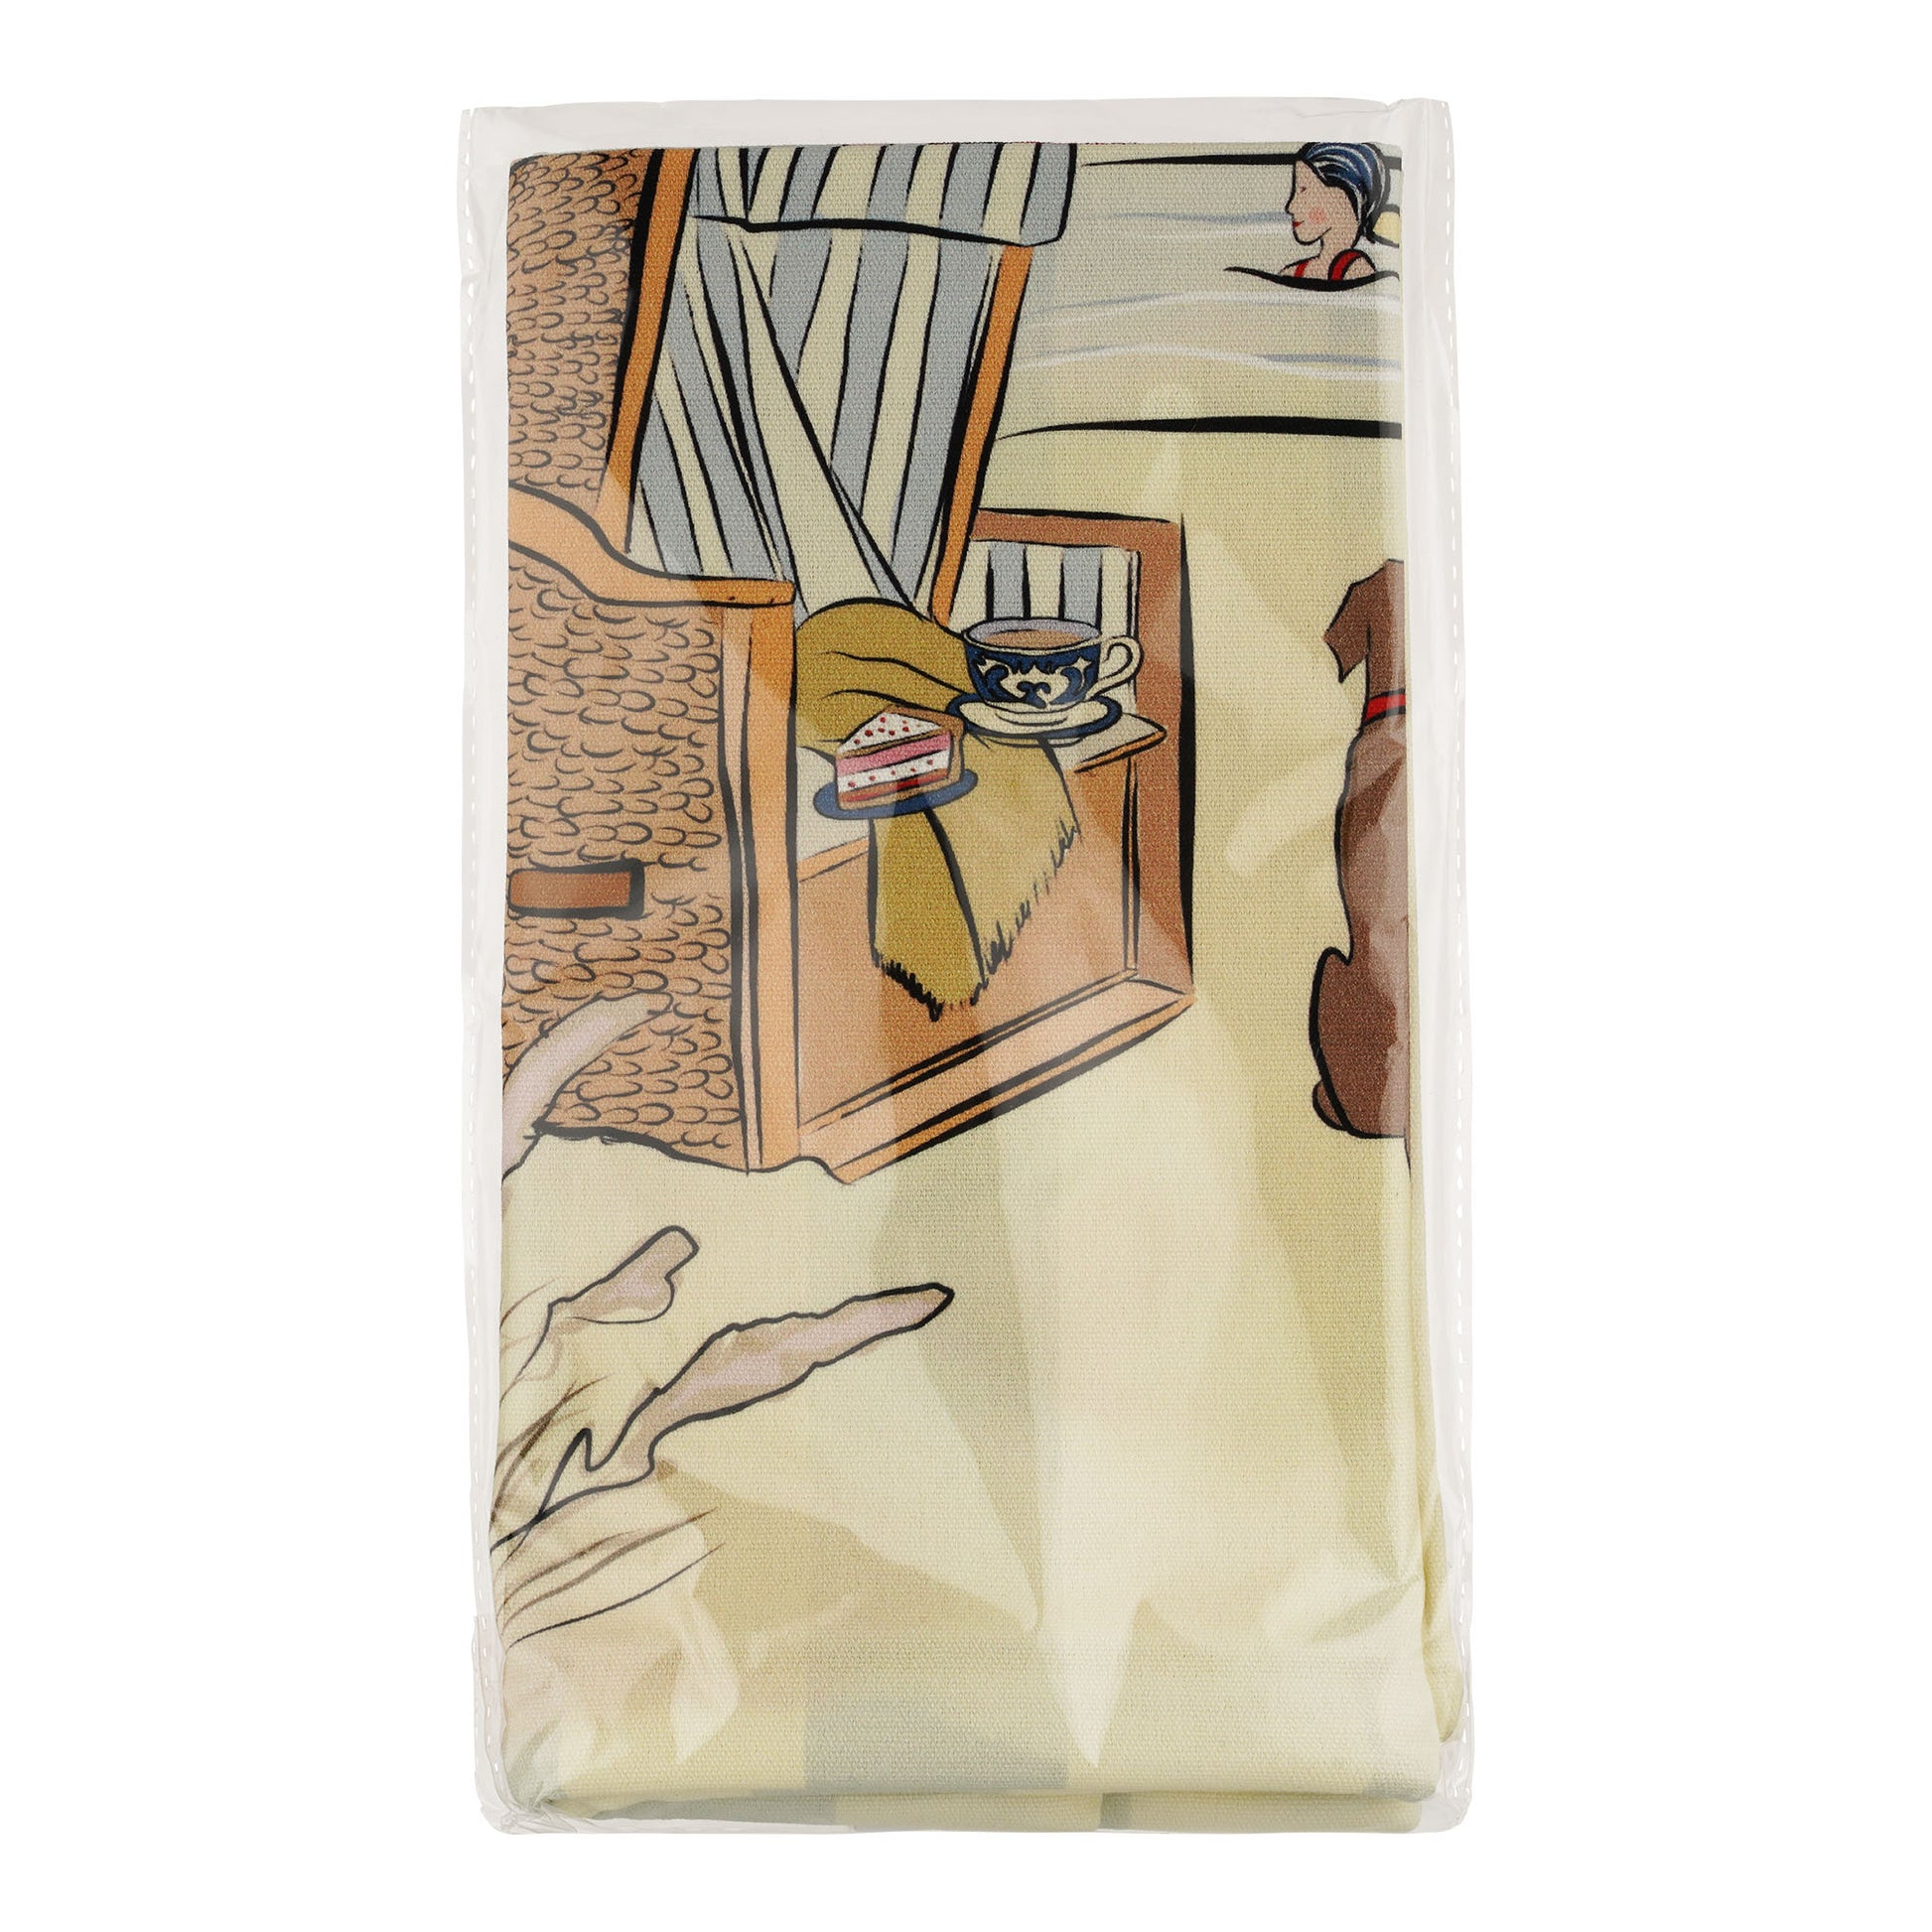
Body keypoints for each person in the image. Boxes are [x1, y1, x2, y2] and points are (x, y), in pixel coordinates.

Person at [1282, 143, 1390, 283]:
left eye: (1303, 189)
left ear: (1340, 196)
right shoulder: (1292, 273)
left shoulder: (1356, 271)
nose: (1290, 207)